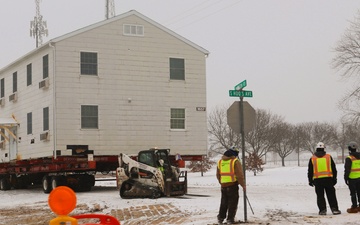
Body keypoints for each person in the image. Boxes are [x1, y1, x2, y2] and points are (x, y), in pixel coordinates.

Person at [307, 142, 341, 215]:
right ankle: (334, 209)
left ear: (317, 148)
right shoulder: (328, 157)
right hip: (328, 179)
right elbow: (334, 169)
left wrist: (310, 180)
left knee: (320, 196)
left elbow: (310, 171)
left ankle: (322, 210)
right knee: (331, 195)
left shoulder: (312, 158)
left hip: (317, 180)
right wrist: (334, 178)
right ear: (323, 148)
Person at [216, 146, 246, 224]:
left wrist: (222, 182)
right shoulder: (235, 161)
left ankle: (220, 218)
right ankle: (230, 219)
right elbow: (239, 175)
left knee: (224, 202)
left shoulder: (220, 162)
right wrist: (243, 185)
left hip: (223, 186)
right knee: (233, 203)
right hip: (232, 185)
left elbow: (218, 175)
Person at [344, 141, 360, 213]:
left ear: (349, 148)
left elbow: (347, 169)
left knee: (353, 193)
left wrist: (346, 178)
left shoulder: (349, 158)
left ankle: (354, 207)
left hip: (352, 178)